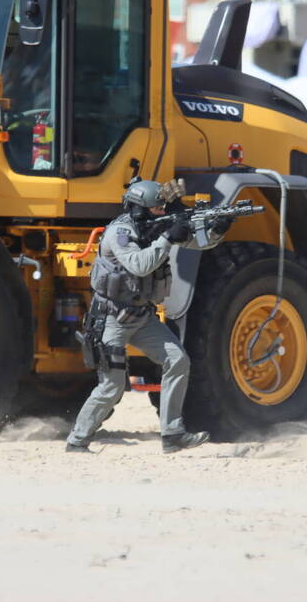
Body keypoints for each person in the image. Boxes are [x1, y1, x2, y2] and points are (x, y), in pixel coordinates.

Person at [66, 179, 230, 454]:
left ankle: (172, 433)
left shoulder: (155, 224)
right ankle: (78, 440)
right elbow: (139, 265)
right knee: (112, 386)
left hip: (142, 316)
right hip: (111, 319)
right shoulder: (120, 231)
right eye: (156, 209)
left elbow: (199, 243)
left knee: (177, 360)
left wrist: (218, 229)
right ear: (140, 209)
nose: (160, 213)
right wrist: (168, 237)